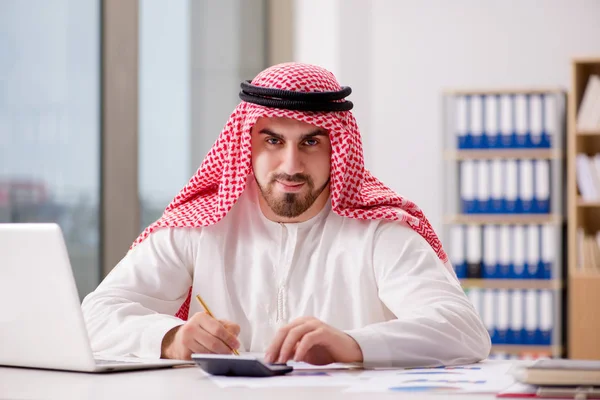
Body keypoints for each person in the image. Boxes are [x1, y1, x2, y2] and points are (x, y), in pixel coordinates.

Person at [81, 62, 491, 368]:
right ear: (246, 143)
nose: (291, 164)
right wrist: (171, 338)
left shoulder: (380, 233)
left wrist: (353, 345)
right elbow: (94, 315)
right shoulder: (202, 226)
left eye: (311, 142)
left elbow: (463, 330)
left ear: (336, 147)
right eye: (272, 140)